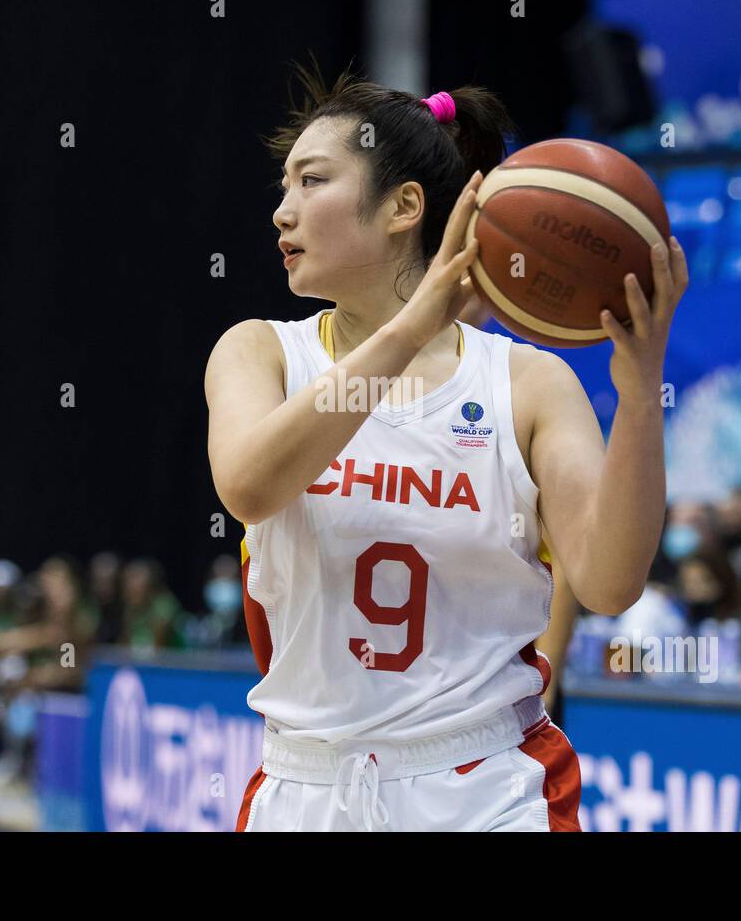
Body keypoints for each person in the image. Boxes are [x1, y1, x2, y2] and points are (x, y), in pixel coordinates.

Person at [206, 63, 687, 832]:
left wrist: (640, 394)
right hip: (305, 787)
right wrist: (412, 325)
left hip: (487, 788)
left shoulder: (529, 383)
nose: (281, 212)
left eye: (311, 181)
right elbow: (250, 486)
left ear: (402, 207)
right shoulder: (258, 353)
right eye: (285, 185)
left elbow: (608, 583)